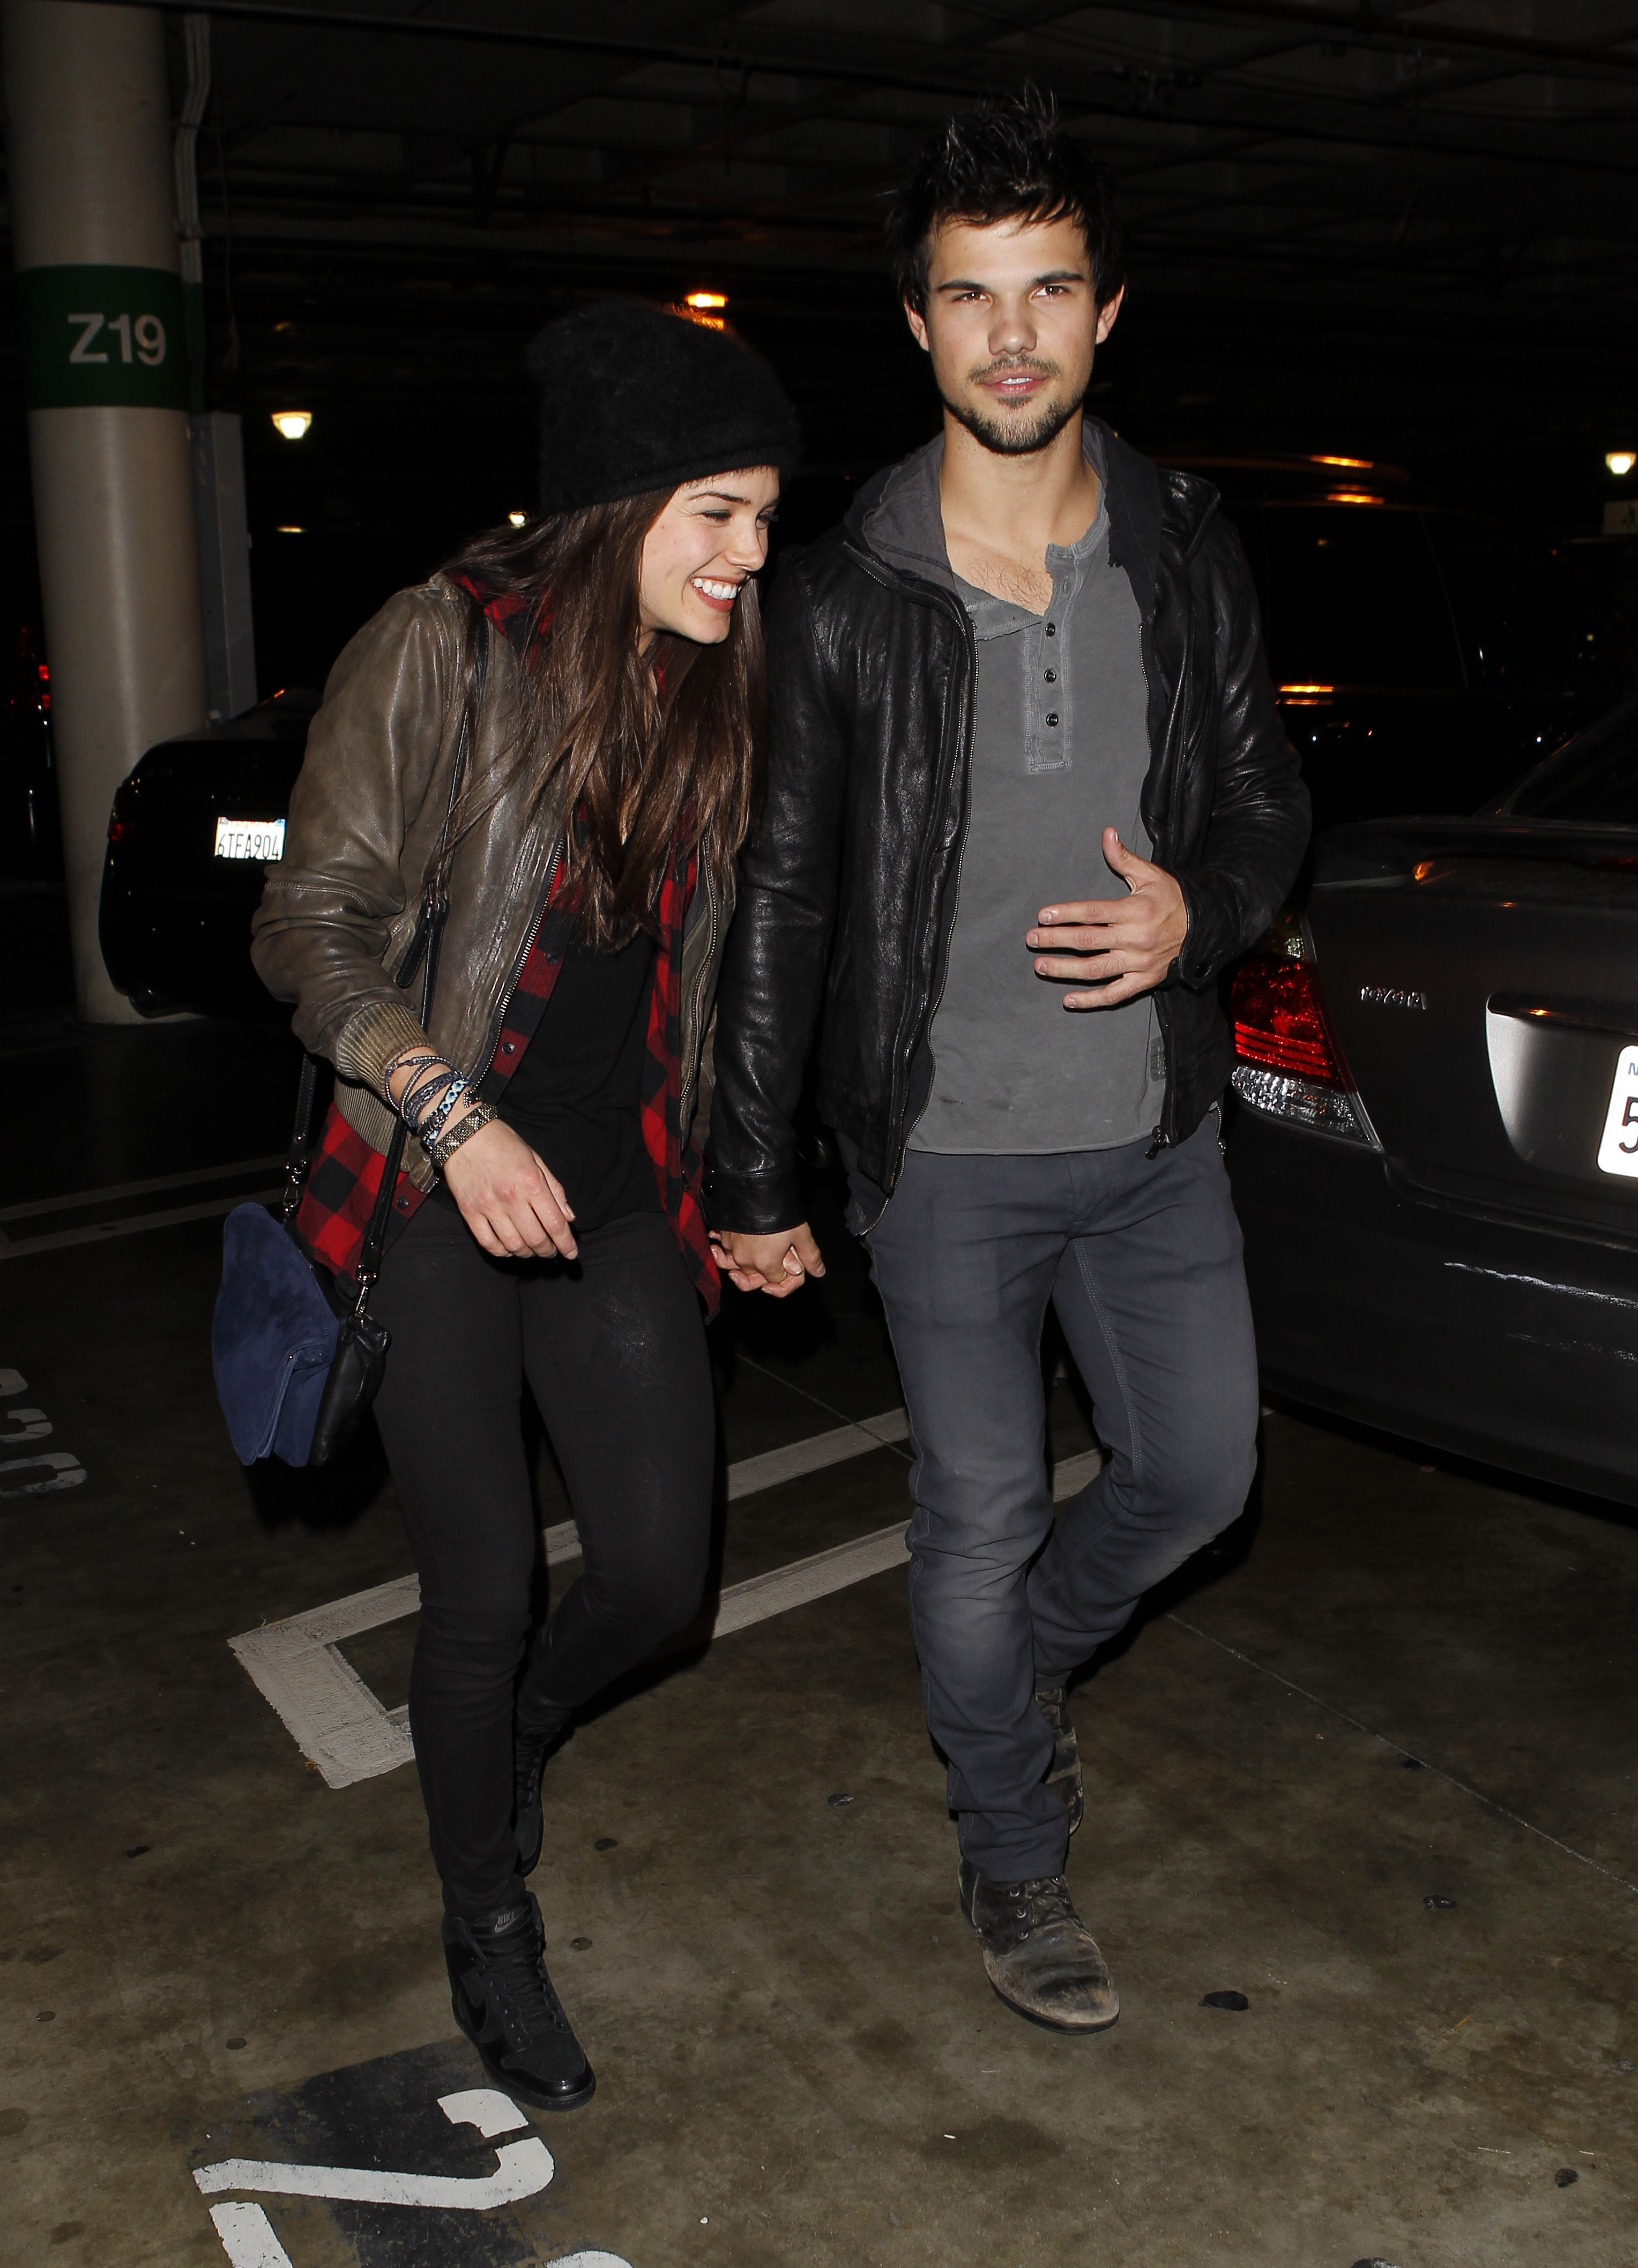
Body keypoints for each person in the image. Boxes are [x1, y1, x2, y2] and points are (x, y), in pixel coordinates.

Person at [706, 91, 1309, 2034]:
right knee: (972, 1511)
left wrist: (1194, 922)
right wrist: (755, 1179)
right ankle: (1013, 1847)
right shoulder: (841, 597)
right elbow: (782, 901)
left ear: (1107, 311)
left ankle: (1011, 1663)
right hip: (944, 1153)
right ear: (919, 326)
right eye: (972, 298)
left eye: (1050, 289)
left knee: (1202, 1474)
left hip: (1154, 1133)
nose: (1014, 335)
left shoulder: (1187, 540)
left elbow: (1262, 801)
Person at [251, 300, 799, 2108]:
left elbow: (705, 981)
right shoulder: (442, 648)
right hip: (432, 1172)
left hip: (619, 1189)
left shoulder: (712, 682)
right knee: (479, 1590)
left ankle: (515, 1739)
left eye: (765, 514)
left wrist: (735, 1189)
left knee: (656, 1578)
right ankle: (486, 1921)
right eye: (715, 510)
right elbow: (310, 923)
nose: (748, 552)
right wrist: (451, 1109)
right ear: (617, 505)